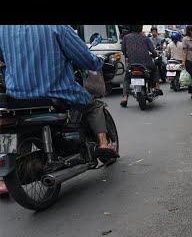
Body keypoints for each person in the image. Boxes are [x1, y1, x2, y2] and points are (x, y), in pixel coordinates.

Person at [0, 25, 118, 159]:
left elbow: (3, 58)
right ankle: (103, 144)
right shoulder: (58, 27)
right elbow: (84, 57)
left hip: (16, 96)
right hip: (57, 93)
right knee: (94, 106)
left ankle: (5, 169)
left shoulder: (3, 29)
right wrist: (98, 63)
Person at [120, 24, 162, 108]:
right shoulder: (145, 38)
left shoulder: (126, 37)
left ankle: (125, 98)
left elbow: (123, 51)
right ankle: (157, 86)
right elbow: (152, 50)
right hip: (146, 64)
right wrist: (155, 54)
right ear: (141, 28)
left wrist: (129, 54)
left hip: (132, 64)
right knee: (155, 69)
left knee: (127, 78)